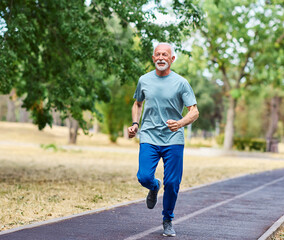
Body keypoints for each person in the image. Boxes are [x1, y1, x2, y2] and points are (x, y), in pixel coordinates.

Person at [128, 42, 199, 237]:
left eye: (165, 55)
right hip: (149, 136)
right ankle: (154, 186)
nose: (161, 57)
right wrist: (135, 124)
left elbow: (194, 111)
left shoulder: (181, 83)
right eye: (157, 54)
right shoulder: (144, 80)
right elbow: (137, 103)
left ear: (172, 59)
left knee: (173, 183)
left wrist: (181, 123)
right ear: (153, 58)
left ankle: (167, 219)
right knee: (143, 177)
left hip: (173, 138)